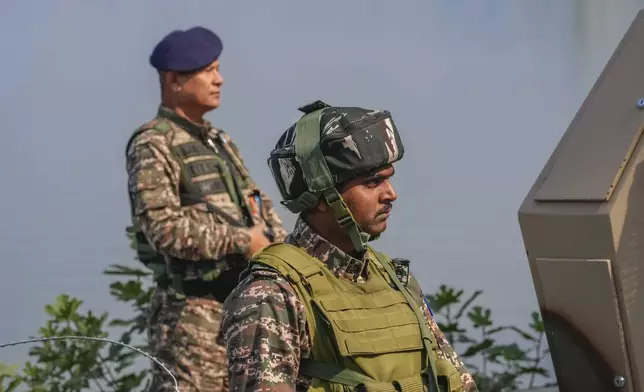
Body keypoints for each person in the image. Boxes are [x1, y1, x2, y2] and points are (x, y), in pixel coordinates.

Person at [222, 100, 478, 392]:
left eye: (388, 180)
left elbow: (455, 380)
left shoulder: (394, 280)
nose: (390, 194)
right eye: (372, 183)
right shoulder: (272, 294)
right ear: (319, 196)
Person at [125, 26, 288, 392]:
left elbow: (257, 206)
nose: (220, 79)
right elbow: (162, 228)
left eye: (218, 69)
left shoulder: (219, 141)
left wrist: (284, 255)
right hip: (193, 320)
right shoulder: (153, 143)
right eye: (209, 70)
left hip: (243, 308)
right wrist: (242, 241)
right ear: (175, 80)